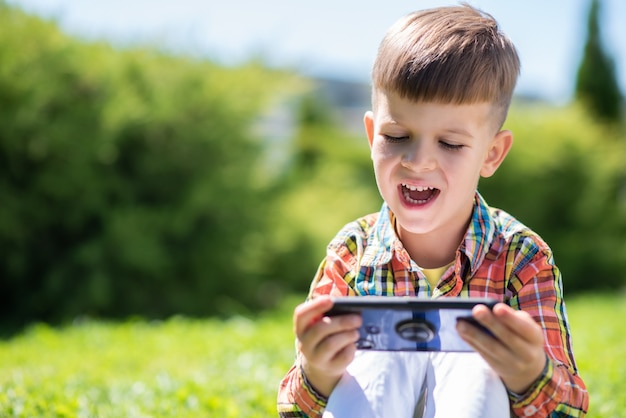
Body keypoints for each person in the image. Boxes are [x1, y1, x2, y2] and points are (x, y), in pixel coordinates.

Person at [277, 4, 589, 418]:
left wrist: (531, 373)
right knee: (376, 360)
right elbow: (294, 408)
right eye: (397, 135)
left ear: (491, 154)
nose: (418, 160)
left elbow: (570, 407)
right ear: (372, 136)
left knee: (476, 366)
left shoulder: (522, 258)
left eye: (450, 144)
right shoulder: (351, 253)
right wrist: (316, 372)